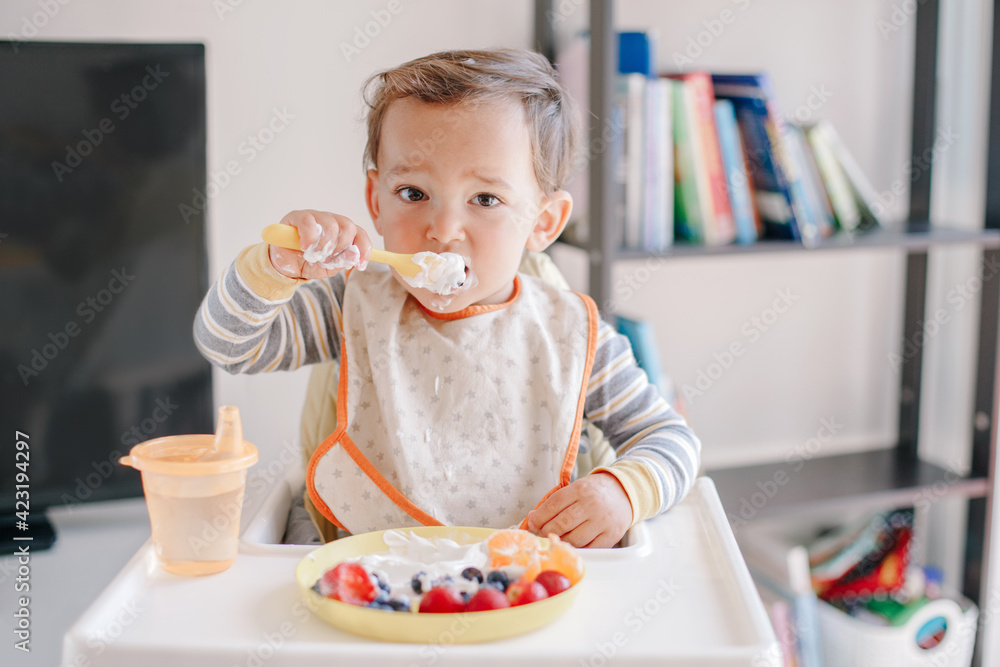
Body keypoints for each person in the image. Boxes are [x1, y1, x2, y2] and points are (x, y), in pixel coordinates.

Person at [193, 48, 700, 548]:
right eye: (413, 193)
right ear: (376, 201)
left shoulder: (575, 338)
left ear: (543, 222)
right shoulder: (351, 303)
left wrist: (622, 492)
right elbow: (228, 346)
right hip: (364, 568)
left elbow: (670, 440)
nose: (443, 229)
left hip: (523, 576)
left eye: (485, 199)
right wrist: (274, 269)